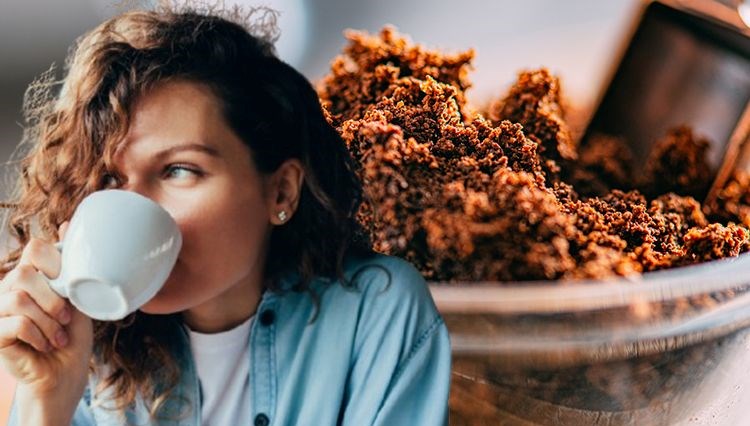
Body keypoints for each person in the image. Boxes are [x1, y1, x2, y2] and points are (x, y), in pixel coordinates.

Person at [0, 4, 451, 425]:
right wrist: (45, 403)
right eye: (110, 180)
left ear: (281, 191)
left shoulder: (374, 312)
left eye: (179, 170)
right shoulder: (82, 347)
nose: (132, 206)